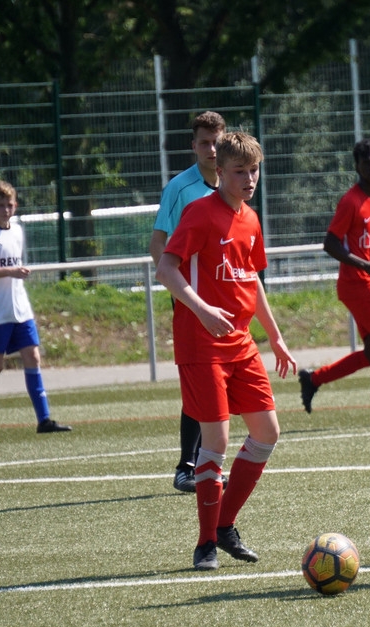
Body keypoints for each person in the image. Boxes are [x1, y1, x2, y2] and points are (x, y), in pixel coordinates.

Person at [155, 131, 297, 571]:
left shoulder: (250, 219)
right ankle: (205, 545)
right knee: (215, 441)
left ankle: (224, 524)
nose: (249, 179)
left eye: (254, 170)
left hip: (241, 344)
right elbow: (165, 269)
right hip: (202, 346)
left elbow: (252, 280)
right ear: (220, 172)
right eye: (240, 171)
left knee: (267, 433)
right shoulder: (200, 213)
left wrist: (275, 337)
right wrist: (200, 309)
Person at [298, 138, 370, 425]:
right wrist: (365, 265)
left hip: (362, 282)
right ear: (357, 167)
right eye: (367, 163)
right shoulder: (351, 201)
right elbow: (331, 243)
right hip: (357, 283)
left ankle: (313, 379)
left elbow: (363, 244)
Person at [0, 180, 72, 439]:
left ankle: (44, 420)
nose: (6, 210)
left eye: (9, 205)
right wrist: (10, 271)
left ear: (15, 206)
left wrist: (16, 273)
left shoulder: (17, 231)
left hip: (20, 308)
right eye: (1, 205)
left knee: (33, 356)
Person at [149, 110, 226, 493]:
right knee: (201, 383)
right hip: (194, 303)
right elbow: (158, 244)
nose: (211, 150)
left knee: (219, 382)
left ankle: (206, 464)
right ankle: (188, 466)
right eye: (204, 143)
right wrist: (183, 294)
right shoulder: (180, 188)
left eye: (217, 142)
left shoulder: (234, 184)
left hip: (225, 301)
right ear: (193, 146)